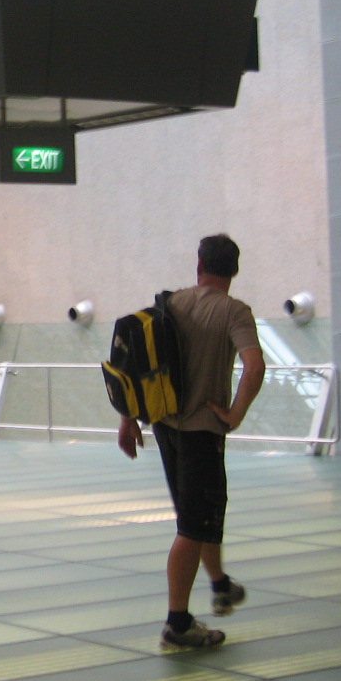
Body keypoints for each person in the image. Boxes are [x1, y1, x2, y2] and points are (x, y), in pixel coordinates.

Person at [118, 234, 266, 651]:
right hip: (203, 430)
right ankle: (178, 623)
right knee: (192, 524)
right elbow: (255, 367)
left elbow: (136, 362)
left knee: (199, 513)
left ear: (198, 264)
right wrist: (235, 413)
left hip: (165, 426)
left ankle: (219, 584)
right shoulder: (235, 311)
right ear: (234, 270)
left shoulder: (173, 303)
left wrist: (128, 420)